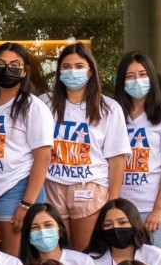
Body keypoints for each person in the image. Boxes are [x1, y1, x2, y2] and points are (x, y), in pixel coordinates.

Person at [0, 43, 53, 255]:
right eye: (1, 64)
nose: (7, 69)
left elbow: (43, 156)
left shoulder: (33, 106)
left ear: (25, 71)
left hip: (15, 187)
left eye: (15, 65)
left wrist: (26, 204)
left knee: (11, 258)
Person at [43, 43, 128, 251]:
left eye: (79, 66)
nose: (73, 72)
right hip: (52, 185)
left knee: (86, 253)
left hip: (89, 186)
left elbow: (117, 159)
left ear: (90, 71)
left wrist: (113, 201)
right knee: (56, 253)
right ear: (59, 72)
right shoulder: (44, 103)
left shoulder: (108, 108)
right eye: (66, 67)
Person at [113, 52, 161, 247]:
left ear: (152, 77)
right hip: (121, 206)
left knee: (151, 259)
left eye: (143, 74)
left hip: (151, 206)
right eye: (130, 76)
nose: (137, 81)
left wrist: (158, 209)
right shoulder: (113, 114)